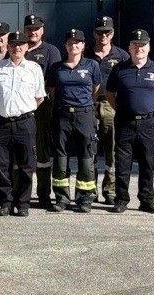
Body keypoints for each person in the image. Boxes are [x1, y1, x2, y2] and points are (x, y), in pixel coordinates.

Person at [105, 29, 154, 214]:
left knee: (148, 164)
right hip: (125, 123)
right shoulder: (119, 69)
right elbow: (110, 94)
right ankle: (121, 200)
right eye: (135, 45)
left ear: (148, 47)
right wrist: (121, 109)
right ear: (129, 47)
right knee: (122, 163)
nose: (139, 48)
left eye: (142, 45)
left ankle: (146, 200)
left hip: (148, 125)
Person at [0, 30, 46, 217]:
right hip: (2, 124)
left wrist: (22, 110)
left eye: (20, 44)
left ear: (27, 47)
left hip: (25, 123)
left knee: (27, 165)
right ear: (7, 46)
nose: (16, 48)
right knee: (3, 165)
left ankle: (23, 203)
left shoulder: (34, 69)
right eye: (13, 45)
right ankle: (6, 202)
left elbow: (39, 98)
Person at [46, 29, 102, 212]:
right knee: (61, 157)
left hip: (84, 115)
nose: (74, 45)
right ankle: (62, 198)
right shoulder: (56, 67)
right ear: (66, 45)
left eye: (77, 42)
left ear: (84, 45)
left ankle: (84, 198)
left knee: (86, 156)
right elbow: (52, 92)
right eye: (70, 43)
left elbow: (96, 89)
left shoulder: (92, 65)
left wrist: (83, 105)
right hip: (62, 115)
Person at [86, 16, 130, 204]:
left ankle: (110, 190)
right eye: (99, 32)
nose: (103, 35)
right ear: (94, 34)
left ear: (113, 34)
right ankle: (89, 189)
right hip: (88, 104)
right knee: (90, 148)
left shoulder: (122, 56)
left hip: (111, 105)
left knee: (112, 148)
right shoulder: (85, 53)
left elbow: (135, 69)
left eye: (107, 32)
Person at [23, 14, 62, 209]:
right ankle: (22, 193)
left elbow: (54, 82)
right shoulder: (19, 48)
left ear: (42, 30)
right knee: (23, 152)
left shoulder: (51, 51)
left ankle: (44, 193)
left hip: (42, 108)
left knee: (43, 153)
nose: (33, 32)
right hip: (20, 108)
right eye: (29, 29)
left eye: (36, 28)